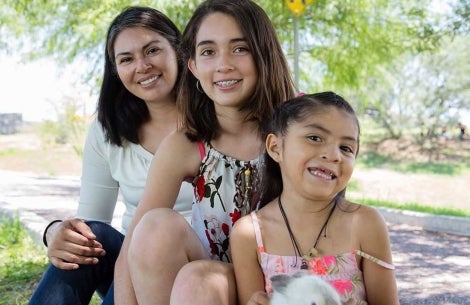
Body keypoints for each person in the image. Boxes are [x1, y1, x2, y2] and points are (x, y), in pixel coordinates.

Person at [113, 0, 297, 304]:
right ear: (194, 66)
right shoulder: (187, 143)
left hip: (290, 278)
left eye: (240, 49)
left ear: (264, 53)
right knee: (155, 228)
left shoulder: (301, 124)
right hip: (214, 288)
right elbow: (134, 245)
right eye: (208, 52)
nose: (223, 64)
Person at [28, 6, 192, 305]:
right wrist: (55, 233)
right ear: (115, 70)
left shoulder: (215, 116)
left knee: (154, 239)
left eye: (152, 50)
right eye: (126, 59)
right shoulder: (108, 131)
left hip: (200, 265)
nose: (142, 66)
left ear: (178, 50)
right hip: (130, 260)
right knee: (91, 235)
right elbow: (92, 220)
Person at [230, 92, 399, 305]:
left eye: (346, 148)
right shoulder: (249, 234)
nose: (334, 155)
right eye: (315, 138)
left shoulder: (366, 224)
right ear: (275, 147)